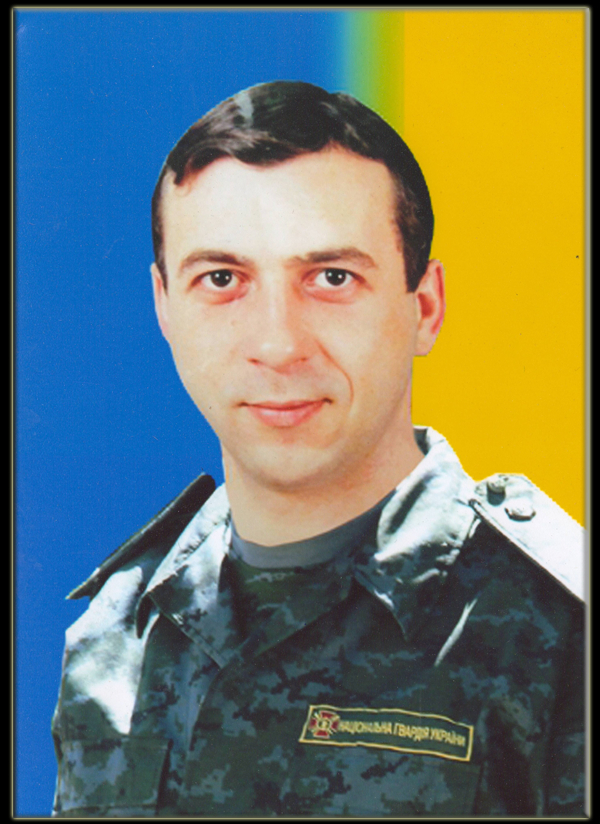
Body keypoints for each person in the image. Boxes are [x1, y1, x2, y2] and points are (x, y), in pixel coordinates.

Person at [51, 81, 585, 817]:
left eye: (333, 278)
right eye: (222, 279)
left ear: (425, 307)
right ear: (164, 306)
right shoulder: (117, 637)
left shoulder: (560, 630)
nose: (277, 344)